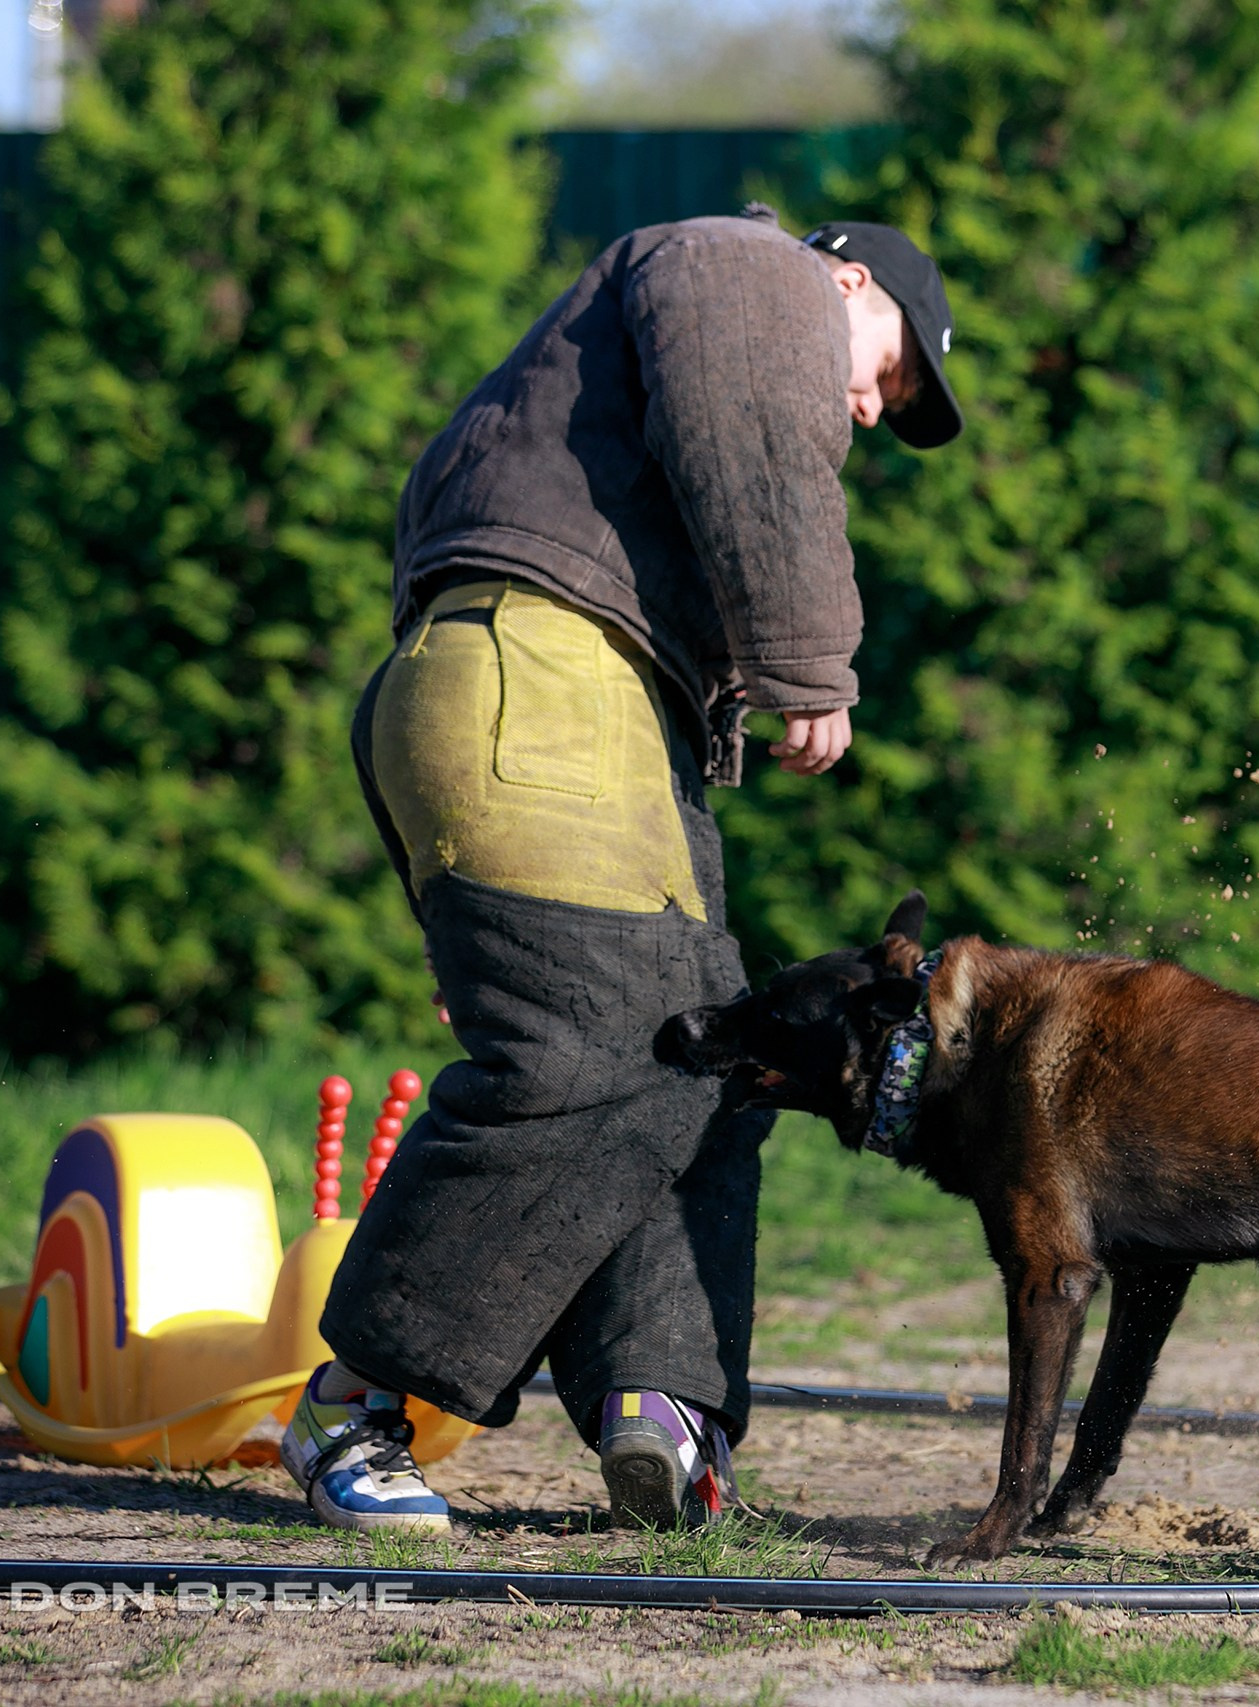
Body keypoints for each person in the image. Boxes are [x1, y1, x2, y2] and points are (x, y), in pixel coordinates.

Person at [275, 208, 964, 1532]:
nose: (877, 410)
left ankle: (662, 1409)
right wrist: (813, 658)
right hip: (538, 691)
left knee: (717, 1058)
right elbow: (757, 449)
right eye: (892, 369)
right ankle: (349, 1408)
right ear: (853, 279)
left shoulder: (661, 326)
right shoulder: (747, 265)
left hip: (578, 704)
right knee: (595, 1061)